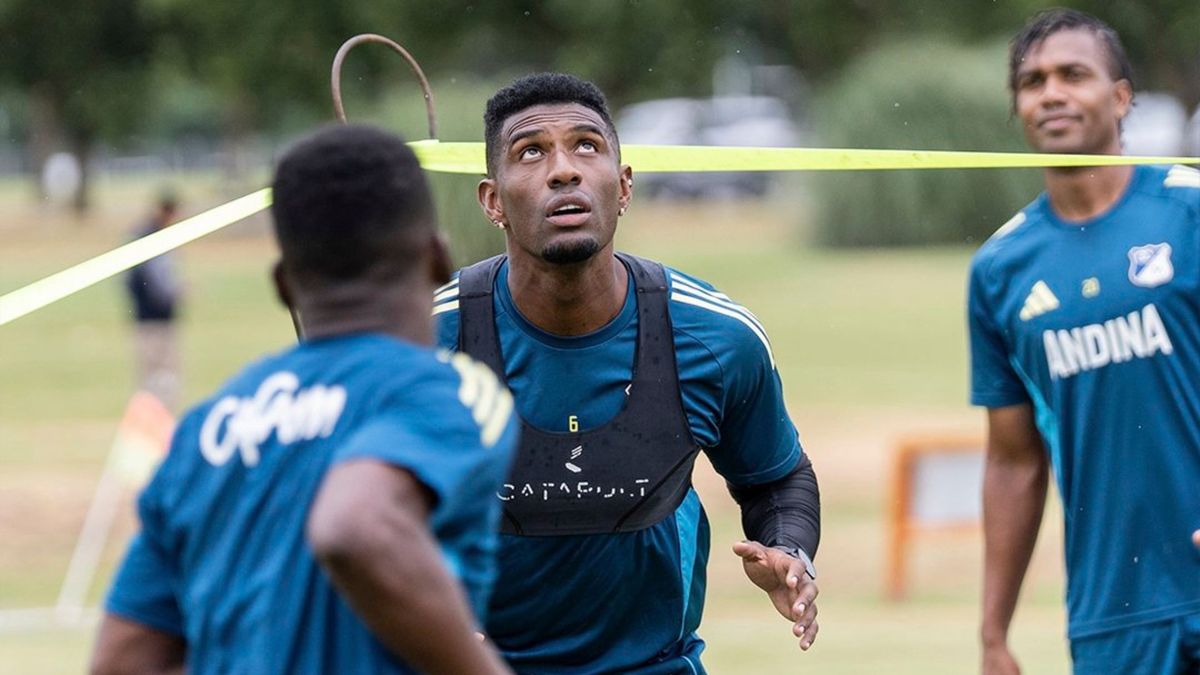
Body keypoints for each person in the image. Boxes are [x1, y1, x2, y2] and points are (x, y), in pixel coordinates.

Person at [90, 124, 519, 675]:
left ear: (284, 286)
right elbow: (355, 526)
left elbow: (121, 660)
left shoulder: (205, 431)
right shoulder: (451, 393)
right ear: (437, 259)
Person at [434, 72, 821, 673]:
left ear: (623, 185)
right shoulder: (424, 344)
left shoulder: (716, 338)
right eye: (530, 152)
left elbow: (776, 477)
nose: (563, 170)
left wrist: (789, 550)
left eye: (586, 145)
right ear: (492, 200)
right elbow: (362, 515)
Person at [968, 9, 1200, 674]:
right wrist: (993, 631)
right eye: (1032, 81)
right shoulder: (1000, 269)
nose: (1051, 93)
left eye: (1074, 74)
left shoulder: (1190, 212)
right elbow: (1013, 460)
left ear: (1121, 96)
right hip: (1111, 612)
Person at [125, 192, 184, 410]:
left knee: (154, 374)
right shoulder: (152, 238)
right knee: (160, 374)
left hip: (148, 316)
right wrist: (177, 293)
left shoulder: (144, 235)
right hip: (154, 317)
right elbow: (157, 280)